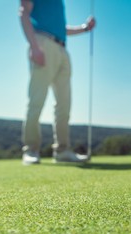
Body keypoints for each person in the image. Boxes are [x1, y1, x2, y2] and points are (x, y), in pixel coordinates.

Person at [19, 0, 96, 165]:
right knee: (37, 100)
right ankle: (31, 149)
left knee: (64, 104)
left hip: (62, 49)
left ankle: (62, 150)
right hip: (42, 43)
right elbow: (24, 13)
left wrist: (84, 28)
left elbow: (62, 28)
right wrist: (34, 46)